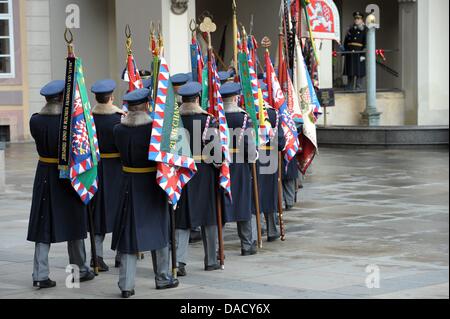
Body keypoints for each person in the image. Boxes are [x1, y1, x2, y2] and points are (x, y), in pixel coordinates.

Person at [27, 80, 95, 288]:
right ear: (63, 98)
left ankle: (39, 274)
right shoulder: (72, 123)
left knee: (42, 223)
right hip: (67, 175)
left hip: (44, 175)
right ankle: (79, 270)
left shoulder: (35, 120)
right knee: (74, 223)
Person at [112, 88, 179, 298]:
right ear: (146, 106)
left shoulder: (118, 129)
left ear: (129, 108)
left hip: (128, 184)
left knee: (128, 234)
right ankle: (162, 276)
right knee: (159, 231)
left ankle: (126, 284)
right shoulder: (155, 130)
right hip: (152, 184)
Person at [175, 82, 222, 277]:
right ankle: (211, 260)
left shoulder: (174, 120)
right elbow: (216, 155)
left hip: (182, 173)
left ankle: (179, 261)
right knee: (209, 217)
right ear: (197, 99)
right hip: (204, 172)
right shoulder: (207, 120)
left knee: (182, 219)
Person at [89, 79, 125, 271]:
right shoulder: (120, 118)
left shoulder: (89, 118)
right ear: (111, 97)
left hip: (95, 169)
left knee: (98, 214)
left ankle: (97, 256)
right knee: (121, 212)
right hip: (117, 170)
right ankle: (121, 256)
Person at [220, 82, 258, 256]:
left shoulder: (216, 117)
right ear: (235, 98)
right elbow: (249, 147)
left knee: (222, 204)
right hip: (240, 165)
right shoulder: (244, 118)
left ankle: (216, 246)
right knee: (243, 203)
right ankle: (247, 244)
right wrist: (254, 156)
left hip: (222, 165)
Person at [256, 80, 286, 242]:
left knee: (255, 195)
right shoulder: (274, 114)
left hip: (253, 159)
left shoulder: (249, 113)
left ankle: (257, 230)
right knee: (270, 193)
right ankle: (272, 230)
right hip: (270, 159)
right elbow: (281, 142)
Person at [343, 11, 368, 91]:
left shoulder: (365, 30)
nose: (356, 20)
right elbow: (346, 41)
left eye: (358, 18)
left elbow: (366, 43)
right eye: (355, 18)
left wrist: (363, 54)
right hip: (350, 52)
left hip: (359, 52)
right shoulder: (350, 29)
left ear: (361, 19)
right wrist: (345, 51)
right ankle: (349, 87)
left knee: (359, 71)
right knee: (350, 70)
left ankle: (358, 87)